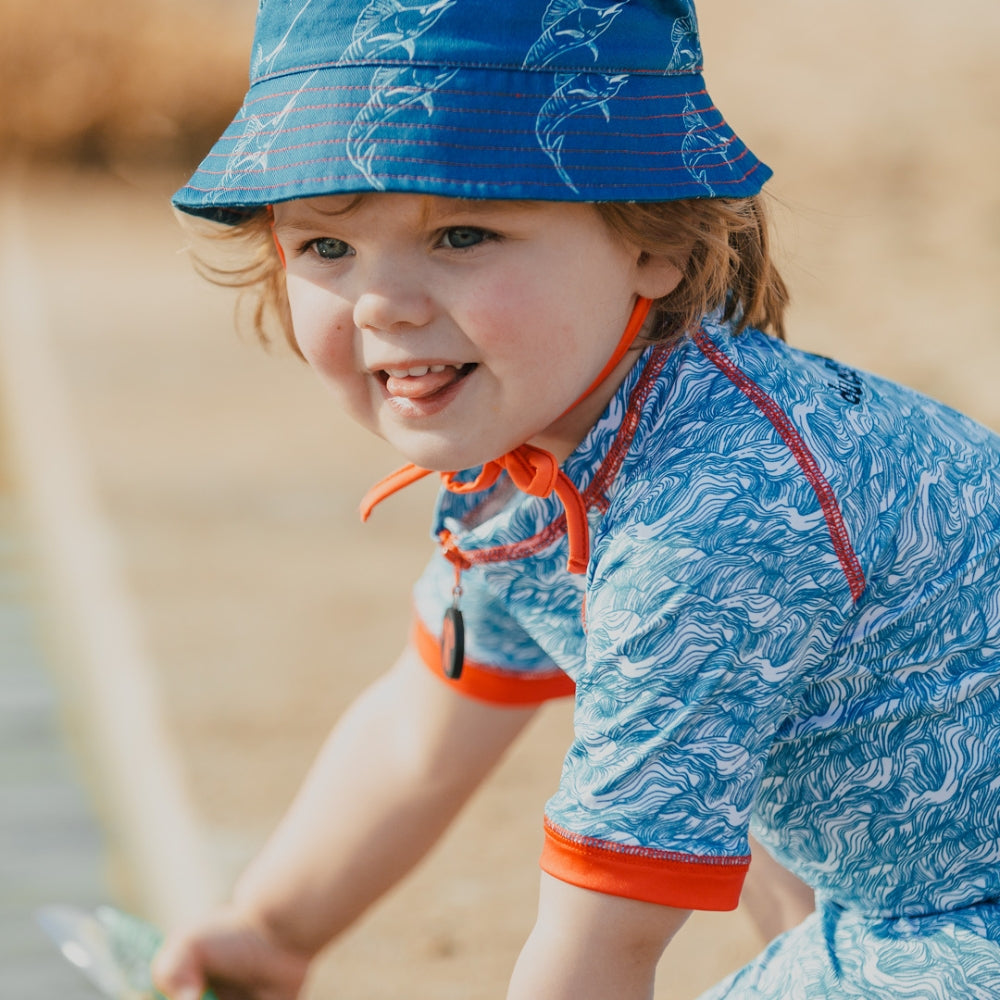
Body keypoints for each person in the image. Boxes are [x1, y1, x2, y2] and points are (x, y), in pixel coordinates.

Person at [152, 1, 1000, 997]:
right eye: (325, 249)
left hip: (961, 912)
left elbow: (601, 939)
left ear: (655, 241)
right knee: (726, 746)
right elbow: (421, 731)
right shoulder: (535, 459)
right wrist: (273, 926)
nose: (383, 301)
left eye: (462, 232)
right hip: (920, 868)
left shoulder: (712, 521)